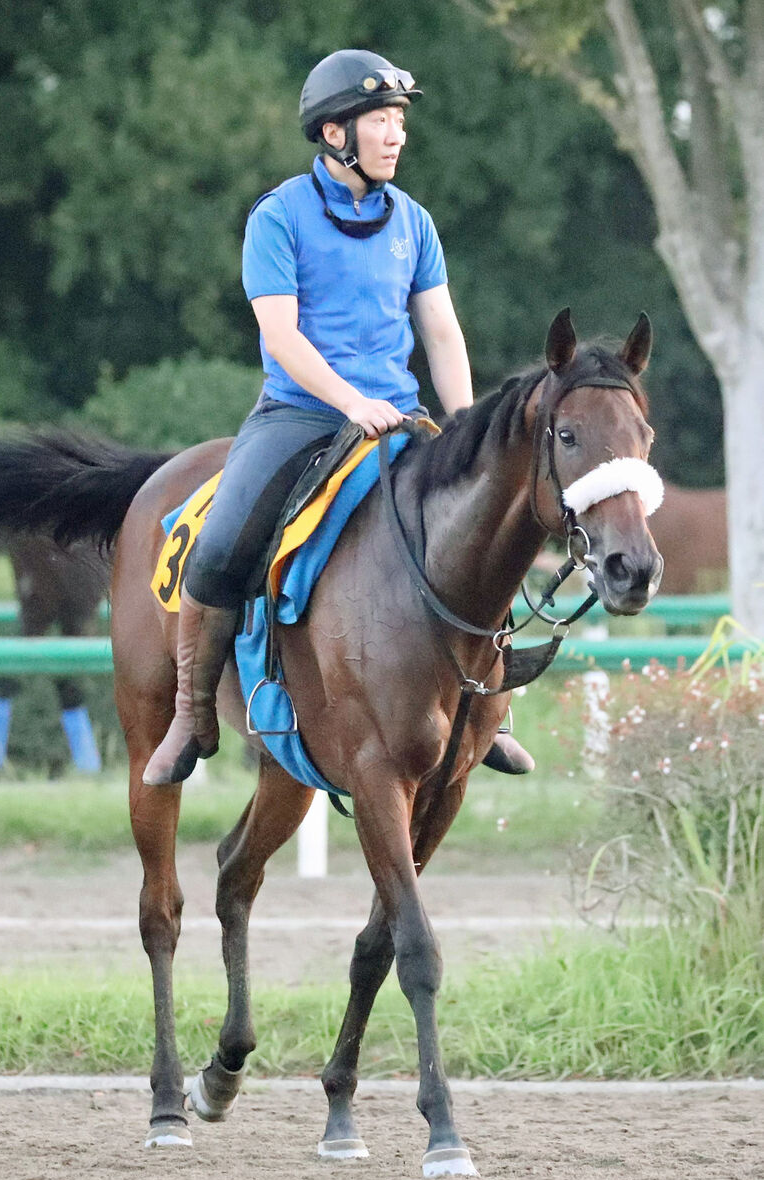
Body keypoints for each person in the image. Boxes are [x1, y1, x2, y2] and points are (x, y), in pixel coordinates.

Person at [143, 48, 533, 786]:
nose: (397, 136)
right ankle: (192, 717)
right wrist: (351, 402)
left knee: (485, 529)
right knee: (221, 544)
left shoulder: (414, 222)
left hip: (401, 417)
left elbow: (442, 332)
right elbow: (282, 336)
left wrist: (467, 426)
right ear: (333, 134)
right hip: (299, 416)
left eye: (399, 122)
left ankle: (492, 711)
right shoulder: (277, 217)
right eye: (381, 121)